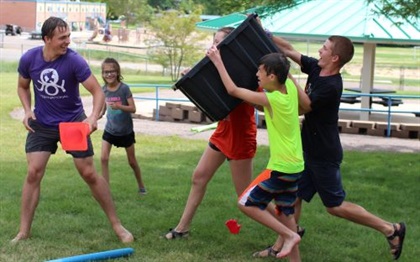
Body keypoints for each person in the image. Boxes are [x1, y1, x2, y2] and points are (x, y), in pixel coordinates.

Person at [270, 34, 406, 260]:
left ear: (334, 57)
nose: (319, 51)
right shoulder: (316, 68)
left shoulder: (331, 86)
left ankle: (391, 229)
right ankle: (280, 245)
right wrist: (264, 33)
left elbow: (305, 105)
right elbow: (289, 50)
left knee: (335, 206)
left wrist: (287, 77)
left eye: (324, 48)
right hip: (308, 149)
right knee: (293, 198)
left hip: (324, 154)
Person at [12, 16, 133, 243]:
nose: (67, 41)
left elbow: (98, 92)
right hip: (43, 123)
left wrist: (92, 118)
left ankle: (118, 226)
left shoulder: (74, 61)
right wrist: (28, 110)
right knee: (33, 173)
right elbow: (22, 86)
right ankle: (23, 232)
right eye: (62, 37)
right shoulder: (29, 59)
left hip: (72, 123)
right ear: (47, 39)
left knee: (88, 173)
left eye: (68, 36)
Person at [207, 47, 304, 260]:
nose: (256, 74)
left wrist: (217, 61)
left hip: (281, 167)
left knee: (245, 202)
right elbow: (284, 72)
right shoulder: (288, 88)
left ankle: (288, 236)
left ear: (272, 76)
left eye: (260, 71)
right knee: (286, 215)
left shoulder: (272, 99)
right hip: (296, 166)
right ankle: (291, 237)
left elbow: (233, 90)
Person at [164, 27, 259, 239]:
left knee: (246, 197)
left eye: (218, 43)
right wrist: (193, 79)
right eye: (213, 41)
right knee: (199, 177)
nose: (213, 47)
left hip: (240, 137)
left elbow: (257, 103)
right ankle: (182, 229)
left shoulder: (246, 73)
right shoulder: (214, 69)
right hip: (222, 133)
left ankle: (288, 229)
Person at [99, 57, 146, 195]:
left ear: (117, 72)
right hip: (110, 130)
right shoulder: (103, 90)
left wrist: (120, 106)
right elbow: (102, 109)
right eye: (106, 72)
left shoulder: (124, 89)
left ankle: (141, 186)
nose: (109, 74)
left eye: (112, 71)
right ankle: (105, 188)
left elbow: (133, 108)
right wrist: (96, 116)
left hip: (125, 132)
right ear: (102, 74)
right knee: (103, 158)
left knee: (132, 162)